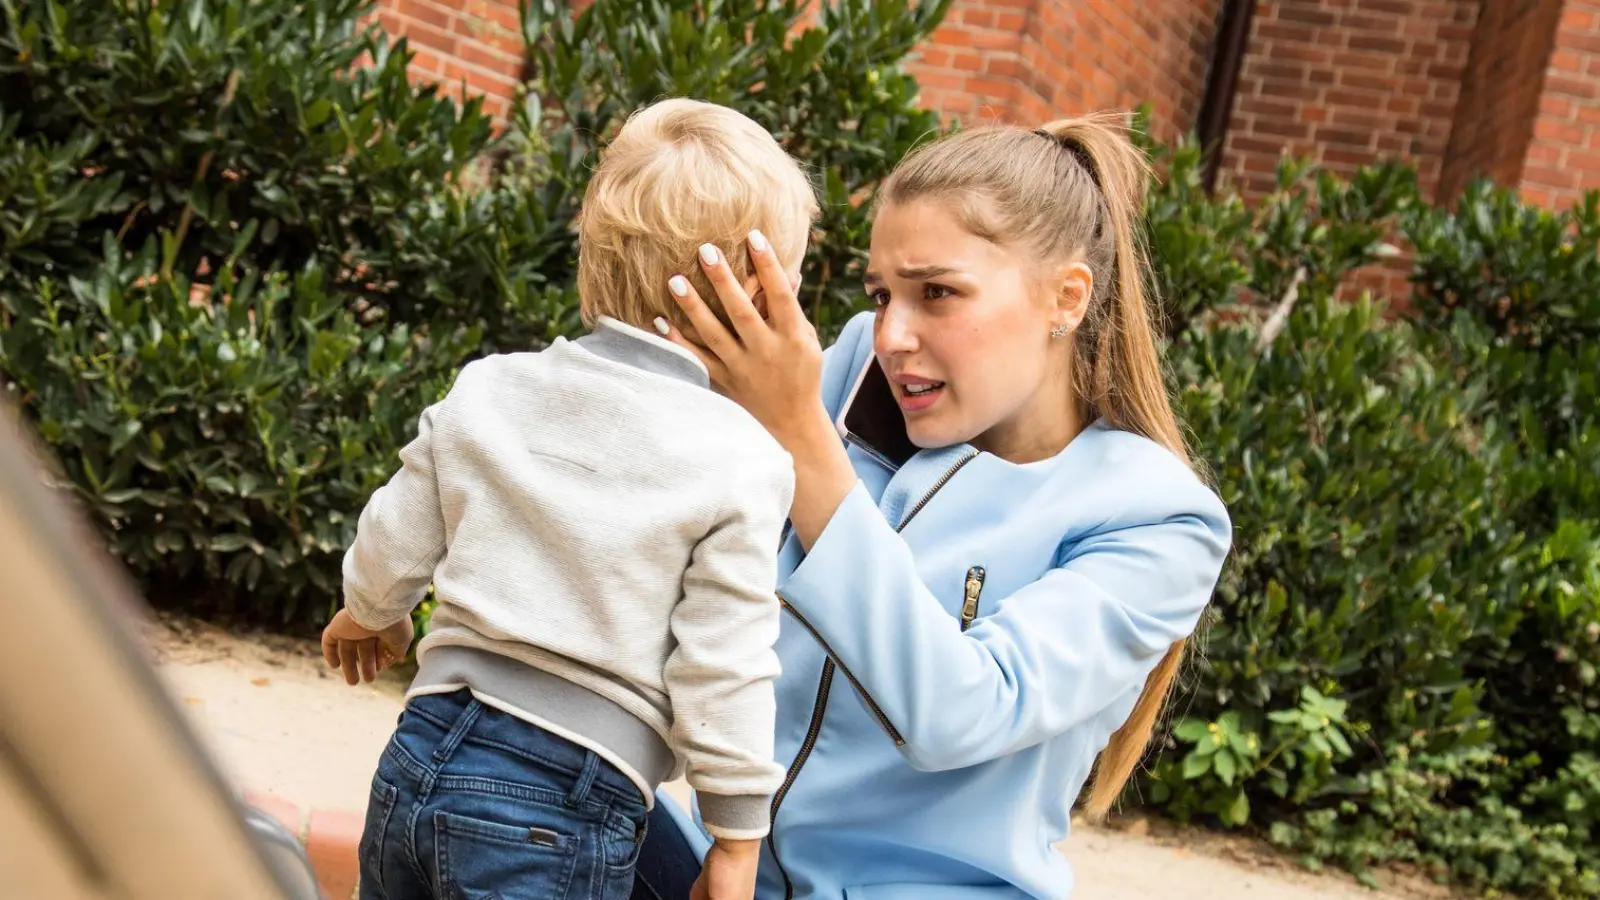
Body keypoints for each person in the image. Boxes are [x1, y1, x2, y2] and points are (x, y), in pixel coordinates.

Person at [639, 112, 1233, 900]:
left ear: (1066, 297)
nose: (892, 334)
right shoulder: (855, 373)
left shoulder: (1158, 517)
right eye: (881, 295)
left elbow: (961, 712)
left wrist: (801, 437)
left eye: (938, 293)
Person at [318, 97, 819, 900]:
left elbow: (398, 526)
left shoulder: (492, 387)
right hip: (562, 802)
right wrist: (735, 832)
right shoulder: (742, 459)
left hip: (418, 751)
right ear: (755, 298)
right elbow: (723, 661)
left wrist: (370, 610)